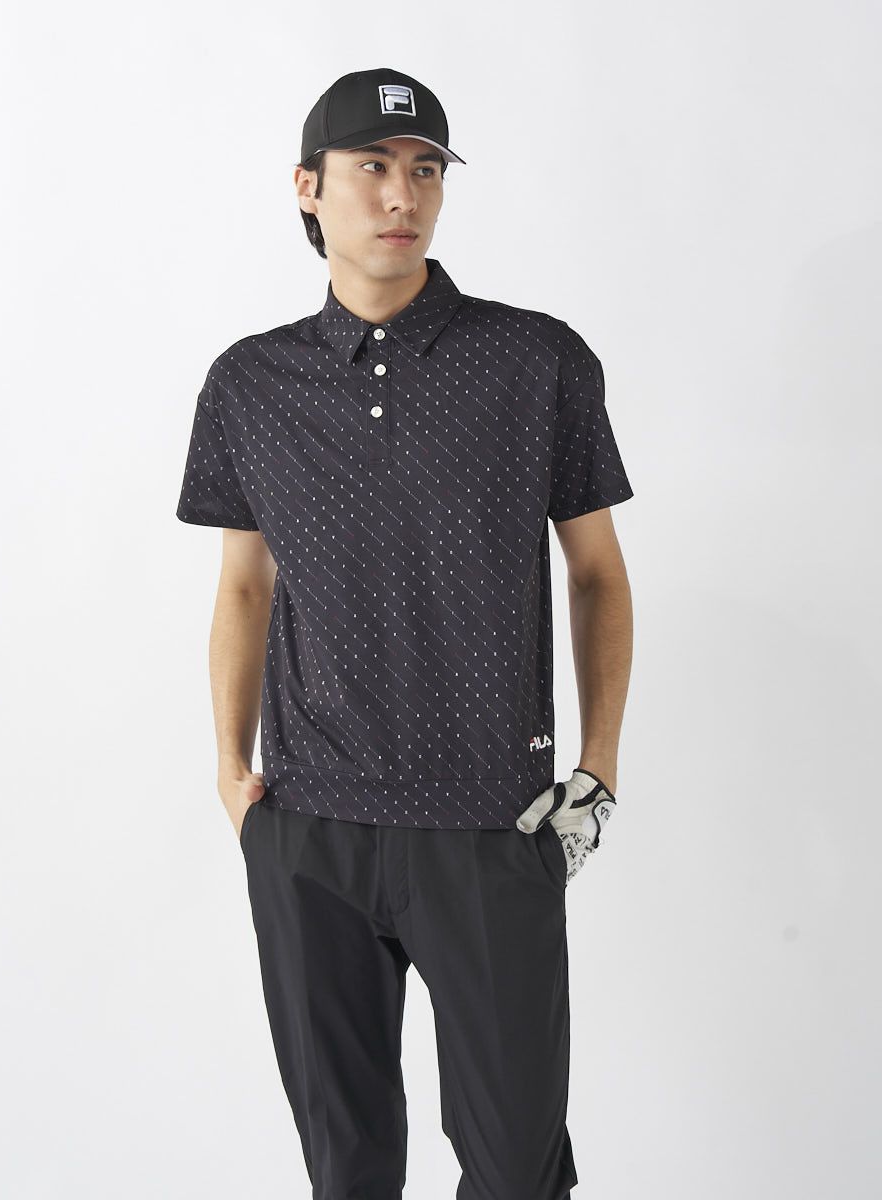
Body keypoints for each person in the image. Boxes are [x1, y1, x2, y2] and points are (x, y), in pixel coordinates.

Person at [176, 65, 634, 1200]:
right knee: (347, 1167)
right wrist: (232, 772)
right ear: (308, 187)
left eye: (426, 169)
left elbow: (595, 572)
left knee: (517, 1168)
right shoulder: (249, 382)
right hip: (310, 828)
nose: (403, 195)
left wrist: (598, 768)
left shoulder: (537, 360)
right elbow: (243, 588)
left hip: (490, 824)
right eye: (373, 167)